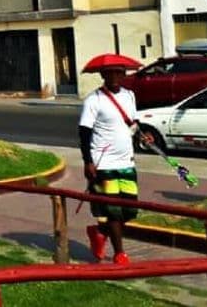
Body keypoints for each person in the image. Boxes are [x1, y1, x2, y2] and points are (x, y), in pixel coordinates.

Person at [79, 63, 153, 265]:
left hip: (126, 160)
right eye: (109, 73)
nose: (113, 76)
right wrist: (88, 161)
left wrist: (142, 135)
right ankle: (120, 253)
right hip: (104, 163)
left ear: (124, 75)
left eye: (118, 72)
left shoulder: (129, 96)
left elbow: (133, 123)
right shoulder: (94, 100)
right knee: (113, 211)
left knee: (129, 210)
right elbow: (84, 133)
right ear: (102, 75)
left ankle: (99, 232)